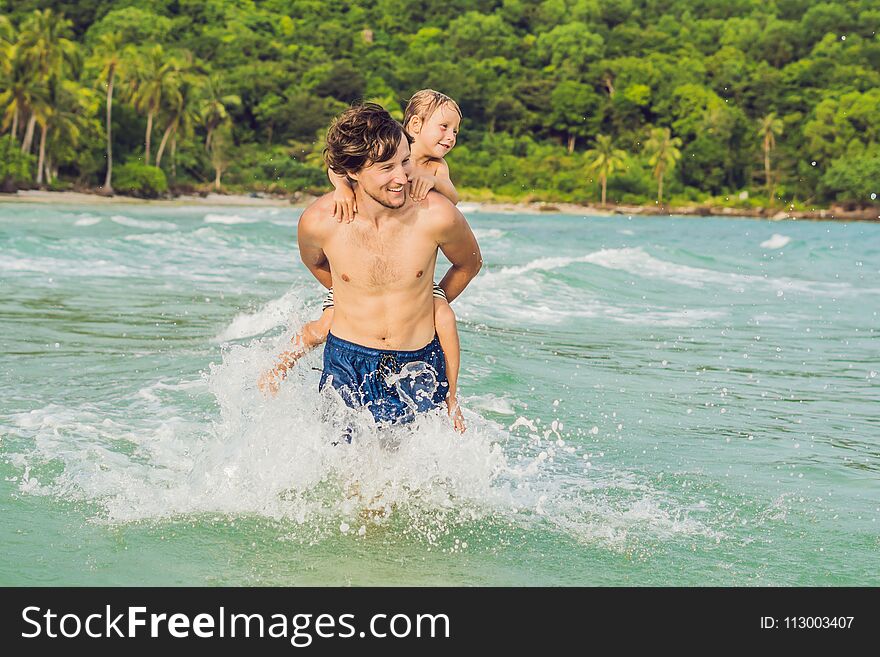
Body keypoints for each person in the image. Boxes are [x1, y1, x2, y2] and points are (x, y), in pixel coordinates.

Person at [258, 103, 481, 434]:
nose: (402, 177)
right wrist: (353, 294)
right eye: (386, 167)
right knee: (347, 477)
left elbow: (469, 264)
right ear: (352, 172)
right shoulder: (319, 222)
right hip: (348, 363)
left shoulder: (437, 215)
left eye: (405, 162)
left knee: (418, 480)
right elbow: (315, 262)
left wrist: (427, 301)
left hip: (419, 363)